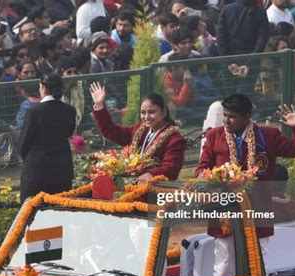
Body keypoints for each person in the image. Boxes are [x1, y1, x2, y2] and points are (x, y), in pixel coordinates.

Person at [195, 94, 295, 276]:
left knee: (258, 263)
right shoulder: (215, 135)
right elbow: (202, 167)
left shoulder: (268, 136)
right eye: (224, 115)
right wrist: (206, 177)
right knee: (224, 263)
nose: (226, 120)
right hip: (224, 211)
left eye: (231, 116)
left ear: (246, 116)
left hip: (257, 210)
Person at [90, 82, 186, 184]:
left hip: (157, 189)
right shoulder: (139, 130)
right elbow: (111, 131)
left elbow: (171, 169)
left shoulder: (175, 140)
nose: (146, 117)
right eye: (143, 112)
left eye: (152, 112)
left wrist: (151, 174)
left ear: (164, 112)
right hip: (132, 185)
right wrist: (100, 105)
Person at [18, 72, 76, 202]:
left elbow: (23, 143)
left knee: (31, 213)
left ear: (43, 87)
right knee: (60, 210)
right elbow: (69, 133)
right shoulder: (69, 110)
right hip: (62, 169)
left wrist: (29, 158)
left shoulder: (34, 111)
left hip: (36, 170)